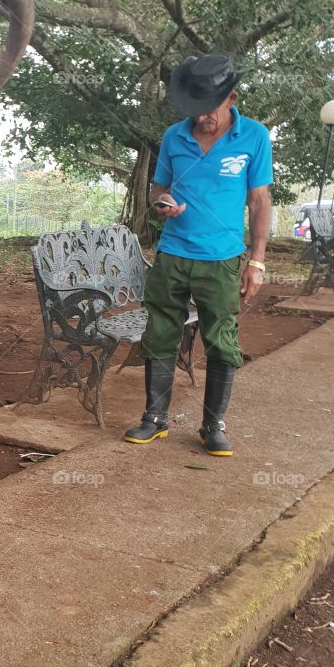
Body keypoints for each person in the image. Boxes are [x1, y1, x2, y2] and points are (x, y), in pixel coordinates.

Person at [124, 54, 273, 456]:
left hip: (222, 260)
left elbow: (259, 202)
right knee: (159, 332)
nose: (202, 119)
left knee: (221, 339)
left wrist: (256, 262)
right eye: (195, 110)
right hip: (172, 253)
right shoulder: (175, 136)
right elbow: (157, 190)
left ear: (232, 98)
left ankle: (213, 425)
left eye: (210, 110)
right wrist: (162, 204)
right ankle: (154, 419)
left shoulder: (255, 137)